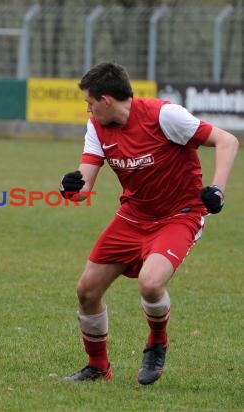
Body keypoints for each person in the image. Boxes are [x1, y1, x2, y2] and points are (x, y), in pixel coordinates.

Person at [60, 62, 238, 384]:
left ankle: (157, 344)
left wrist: (217, 189)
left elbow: (227, 141)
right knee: (87, 290)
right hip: (132, 217)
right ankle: (98, 368)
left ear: (107, 100)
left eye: (90, 102)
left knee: (151, 282)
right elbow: (84, 187)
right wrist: (71, 188)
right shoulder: (96, 127)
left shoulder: (164, 116)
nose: (88, 108)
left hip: (179, 215)